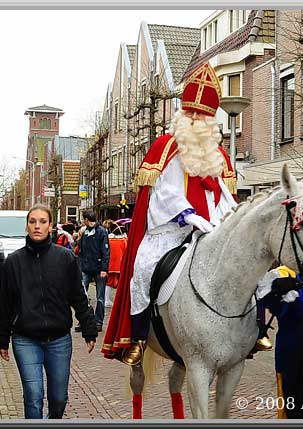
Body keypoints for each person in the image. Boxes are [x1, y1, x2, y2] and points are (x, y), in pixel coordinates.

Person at [102, 62, 238, 366]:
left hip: (209, 231)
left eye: (201, 117)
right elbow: (164, 192)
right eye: (190, 114)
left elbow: (223, 195)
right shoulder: (166, 147)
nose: (195, 121)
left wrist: (230, 219)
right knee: (143, 269)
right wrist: (188, 216)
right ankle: (137, 338)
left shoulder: (218, 156)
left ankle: (249, 331)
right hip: (169, 231)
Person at [0, 204, 98, 419]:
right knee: (33, 396)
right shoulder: (13, 262)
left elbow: (78, 296)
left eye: (42, 222)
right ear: (27, 226)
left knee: (59, 398)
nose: (37, 226)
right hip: (25, 339)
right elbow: (5, 303)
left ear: (51, 226)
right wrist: (2, 338)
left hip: (59, 339)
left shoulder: (66, 258)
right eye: (32, 222)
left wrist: (89, 327)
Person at [256, 266, 303, 418]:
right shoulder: (282, 273)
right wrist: (278, 290)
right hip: (291, 355)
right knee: (292, 409)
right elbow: (272, 303)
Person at [77, 211, 110, 332]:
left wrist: (104, 269)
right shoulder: (85, 232)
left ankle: (98, 322)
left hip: (98, 268)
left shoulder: (101, 232)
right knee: (82, 295)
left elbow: (106, 251)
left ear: (86, 219)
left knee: (100, 297)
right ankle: (84, 321)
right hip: (86, 268)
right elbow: (81, 250)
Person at [102, 220, 128, 307]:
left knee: (109, 282)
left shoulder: (108, 239)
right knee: (113, 282)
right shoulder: (123, 240)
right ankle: (108, 300)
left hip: (108, 264)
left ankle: (107, 299)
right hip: (118, 264)